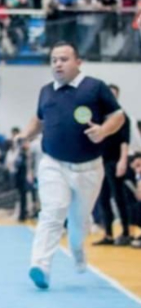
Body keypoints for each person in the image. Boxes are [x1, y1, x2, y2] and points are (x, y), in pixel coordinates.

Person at [16, 42, 125, 290]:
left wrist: (104, 130)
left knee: (78, 223)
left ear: (78, 62)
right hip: (53, 164)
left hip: (88, 169)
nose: (57, 64)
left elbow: (117, 116)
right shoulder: (46, 91)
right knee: (52, 212)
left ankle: (77, 249)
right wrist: (25, 134)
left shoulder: (95, 87)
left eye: (64, 59)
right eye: (54, 59)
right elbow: (39, 119)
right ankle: (40, 266)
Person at [93, 84, 132, 246]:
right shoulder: (100, 116)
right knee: (103, 198)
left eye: (114, 94)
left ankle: (125, 233)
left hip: (115, 162)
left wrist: (123, 161)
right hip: (100, 162)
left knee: (119, 197)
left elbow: (124, 142)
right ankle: (108, 234)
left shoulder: (122, 117)